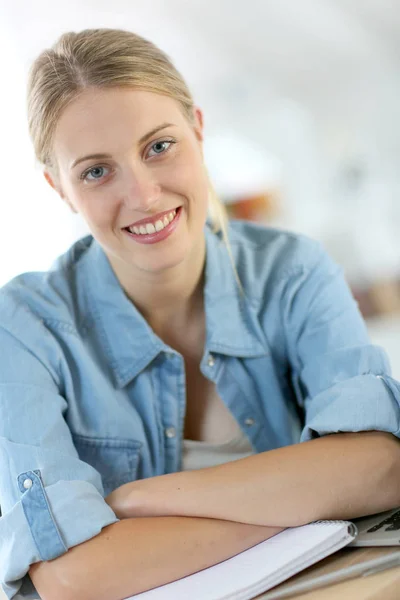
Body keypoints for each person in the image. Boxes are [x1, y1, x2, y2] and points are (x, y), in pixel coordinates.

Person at [1, 27, 400, 600]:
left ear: (198, 129)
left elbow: (382, 468)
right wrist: (305, 495)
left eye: (159, 146)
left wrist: (138, 502)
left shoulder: (291, 271)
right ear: (59, 189)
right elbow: (70, 577)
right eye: (95, 171)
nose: (143, 195)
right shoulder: (22, 326)